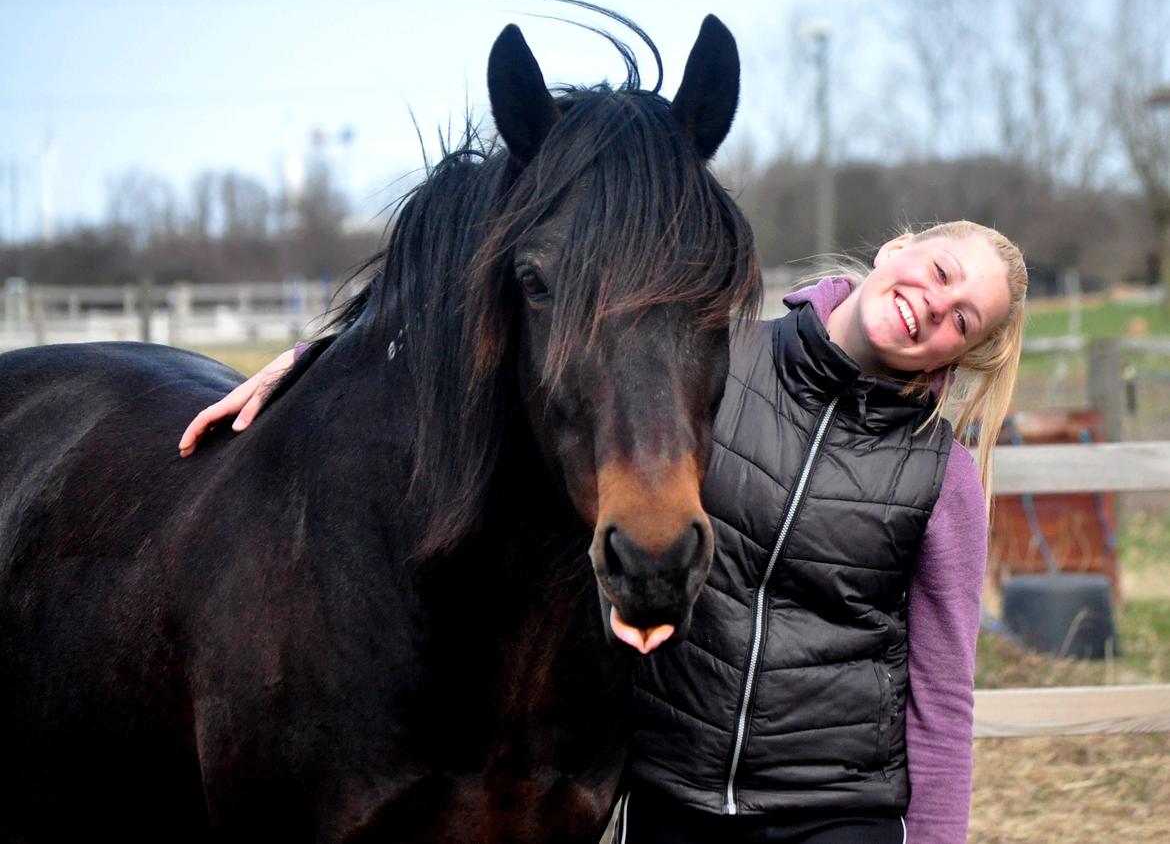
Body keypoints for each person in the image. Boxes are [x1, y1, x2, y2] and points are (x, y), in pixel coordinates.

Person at [178, 220, 1028, 844]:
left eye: (964, 318)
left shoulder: (941, 478)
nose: (935, 304)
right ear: (897, 248)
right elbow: (510, 376)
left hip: (837, 810)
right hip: (674, 794)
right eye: (941, 271)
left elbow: (942, 694)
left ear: (960, 355)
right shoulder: (707, 366)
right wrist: (308, 365)